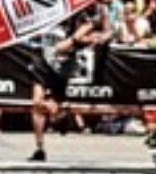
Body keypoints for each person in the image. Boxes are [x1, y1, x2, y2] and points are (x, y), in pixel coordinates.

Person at [27, 9, 103, 162]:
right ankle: (39, 147)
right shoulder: (46, 11)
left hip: (62, 64)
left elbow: (84, 37)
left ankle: (59, 115)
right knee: (36, 103)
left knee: (51, 102)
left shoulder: (81, 15)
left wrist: (77, 41)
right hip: (42, 58)